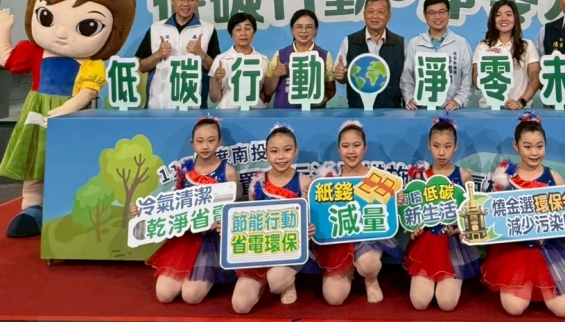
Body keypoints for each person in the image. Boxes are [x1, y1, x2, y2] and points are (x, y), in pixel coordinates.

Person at [0, 0, 136, 237]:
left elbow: (88, 91)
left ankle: (65, 208)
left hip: (72, 117)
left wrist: (70, 107)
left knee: (69, 160)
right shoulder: (37, 52)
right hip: (37, 111)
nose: (60, 33)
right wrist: (1, 33)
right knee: (35, 161)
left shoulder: (90, 64)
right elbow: (8, 60)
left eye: (88, 26)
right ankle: (31, 207)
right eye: (46, 17)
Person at [482, 113, 565, 318]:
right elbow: (489, 214)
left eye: (539, 146)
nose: (534, 152)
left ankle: (538, 287)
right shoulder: (503, 178)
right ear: (516, 146)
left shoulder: (554, 178)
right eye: (527, 146)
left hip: (550, 249)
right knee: (514, 308)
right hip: (515, 252)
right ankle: (526, 287)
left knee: (564, 310)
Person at [143, 116, 240, 304]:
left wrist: (221, 222)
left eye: (211, 140)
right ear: (192, 143)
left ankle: (210, 274)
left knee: (191, 296)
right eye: (200, 141)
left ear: (220, 142)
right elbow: (173, 204)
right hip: (186, 237)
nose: (205, 146)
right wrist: (144, 211)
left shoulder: (228, 172)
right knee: (164, 295)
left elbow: (235, 207)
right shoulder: (185, 171)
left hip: (213, 240)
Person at [232, 124, 316, 313]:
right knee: (240, 306)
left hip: (292, 249)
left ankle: (286, 281)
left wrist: (310, 228)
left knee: (276, 281)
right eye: (274, 151)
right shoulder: (258, 182)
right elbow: (250, 221)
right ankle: (261, 280)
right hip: (262, 250)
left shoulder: (305, 183)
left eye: (287, 150)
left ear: (296, 151)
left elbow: (314, 220)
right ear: (266, 153)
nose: (281, 157)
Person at [315, 121, 402, 305]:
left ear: (365, 148)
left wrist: (396, 201)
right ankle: (349, 271)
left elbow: (389, 213)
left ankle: (371, 280)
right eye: (345, 146)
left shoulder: (377, 179)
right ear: (339, 149)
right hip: (339, 242)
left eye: (356, 145)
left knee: (368, 264)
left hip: (368, 241)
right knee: (334, 298)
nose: (351, 151)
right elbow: (320, 215)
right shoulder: (328, 180)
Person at [402, 116, 481, 311]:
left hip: (453, 245)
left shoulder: (463, 175)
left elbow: (473, 213)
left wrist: (463, 229)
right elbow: (411, 215)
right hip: (426, 244)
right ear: (429, 146)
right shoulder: (419, 176)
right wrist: (413, 229)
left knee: (447, 303)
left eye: (447, 146)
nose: (442, 152)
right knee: (419, 303)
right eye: (436, 146)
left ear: (455, 147)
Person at [135, 0, 220, 109]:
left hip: (193, 104)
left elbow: (215, 69)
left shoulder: (208, 29)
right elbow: (142, 67)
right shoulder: (156, 28)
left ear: (197, 1)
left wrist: (201, 54)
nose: (186, 4)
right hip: (158, 104)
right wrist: (158, 54)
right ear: (172, 0)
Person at [401, 0, 473, 110]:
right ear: (425, 16)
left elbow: (468, 78)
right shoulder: (414, 44)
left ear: (449, 14)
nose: (437, 16)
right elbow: (406, 77)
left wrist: (458, 101)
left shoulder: (461, 43)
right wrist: (409, 98)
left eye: (442, 12)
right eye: (432, 13)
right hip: (420, 110)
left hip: (451, 111)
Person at [334, 0, 406, 109]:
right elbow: (342, 77)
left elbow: (407, 79)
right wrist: (340, 75)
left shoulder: (401, 43)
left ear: (389, 16)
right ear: (364, 14)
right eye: (371, 11)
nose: (375, 16)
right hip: (358, 110)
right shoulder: (349, 41)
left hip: (391, 111)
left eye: (380, 12)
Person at [473, 0, 540, 109]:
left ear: (515, 19)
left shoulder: (527, 46)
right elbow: (476, 83)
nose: (503, 18)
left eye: (508, 15)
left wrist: (521, 102)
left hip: (519, 109)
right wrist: (487, 61)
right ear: (493, 20)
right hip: (489, 109)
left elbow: (535, 78)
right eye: (498, 15)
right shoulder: (483, 47)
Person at [261, 9, 336, 108]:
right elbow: (268, 91)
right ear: (292, 30)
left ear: (316, 30)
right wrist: (276, 74)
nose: (304, 31)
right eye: (299, 27)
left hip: (314, 114)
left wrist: (319, 102)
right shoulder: (280, 55)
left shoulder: (324, 56)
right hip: (283, 112)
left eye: (309, 27)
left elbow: (331, 89)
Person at [209, 13, 268, 109]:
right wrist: (216, 79)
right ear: (231, 34)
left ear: (254, 32)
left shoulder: (263, 60)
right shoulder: (221, 60)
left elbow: (266, 94)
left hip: (256, 111)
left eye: (247, 28)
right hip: (227, 111)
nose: (243, 33)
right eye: (238, 29)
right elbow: (214, 99)